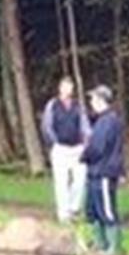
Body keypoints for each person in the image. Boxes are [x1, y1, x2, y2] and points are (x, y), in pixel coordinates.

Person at [82, 85, 126, 255]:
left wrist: (84, 155)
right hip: (96, 170)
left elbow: (98, 147)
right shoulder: (102, 120)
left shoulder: (109, 121)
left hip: (104, 171)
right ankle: (100, 243)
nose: (91, 102)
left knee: (106, 209)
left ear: (101, 100)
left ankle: (113, 248)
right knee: (93, 208)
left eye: (93, 98)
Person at [40, 78, 89, 224]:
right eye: (66, 87)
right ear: (60, 89)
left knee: (80, 180)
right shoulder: (52, 105)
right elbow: (47, 126)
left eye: (71, 87)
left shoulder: (78, 106)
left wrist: (86, 140)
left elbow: (84, 124)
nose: (69, 90)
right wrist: (54, 142)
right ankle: (63, 213)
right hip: (60, 148)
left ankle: (74, 208)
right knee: (61, 182)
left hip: (77, 147)